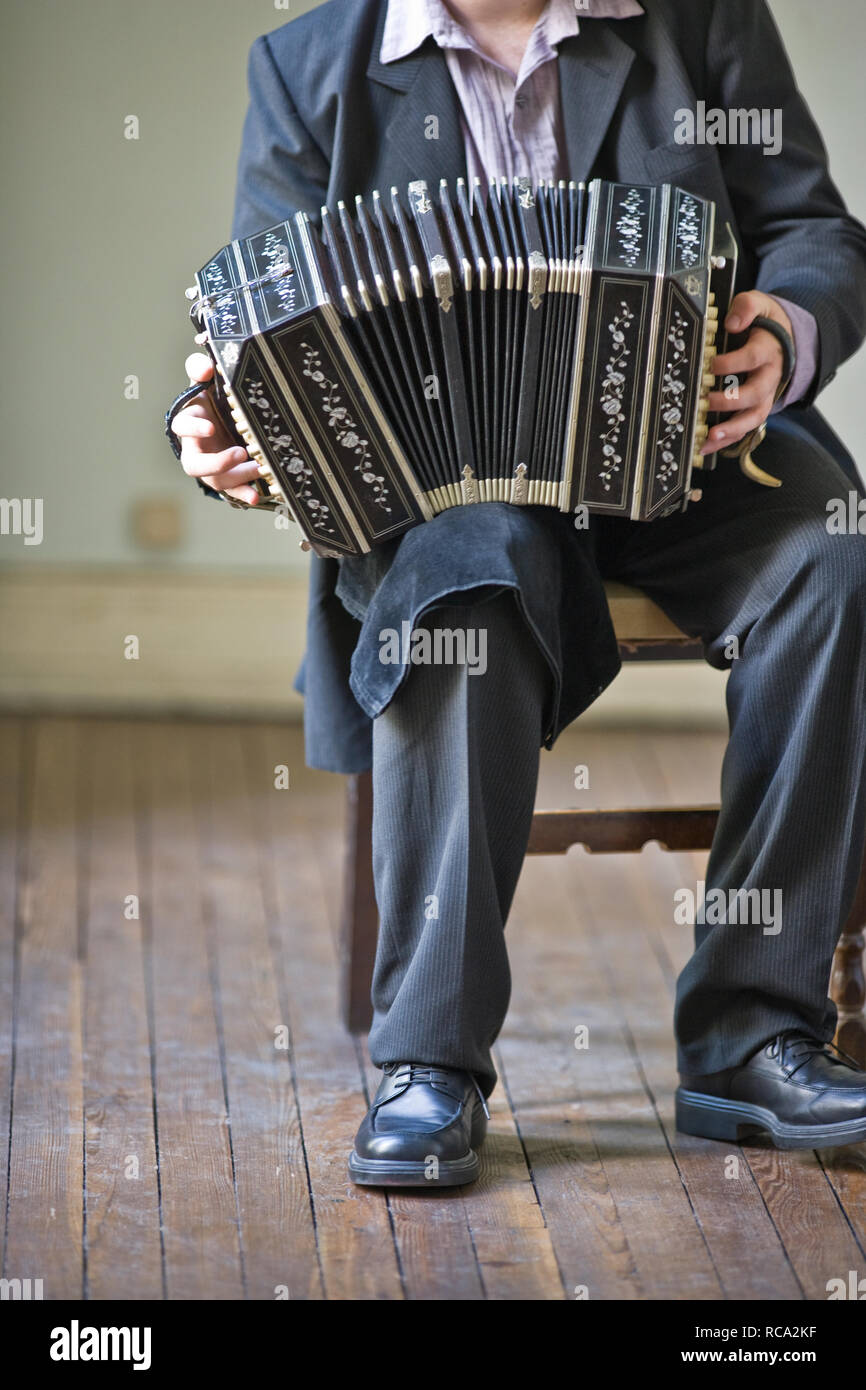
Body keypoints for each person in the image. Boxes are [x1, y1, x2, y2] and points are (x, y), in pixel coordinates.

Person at [171, 0, 866, 1187]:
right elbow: (254, 320)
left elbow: (811, 229)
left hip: (684, 450)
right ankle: (429, 1063)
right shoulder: (306, 68)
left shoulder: (698, 21)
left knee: (835, 552)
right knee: (466, 587)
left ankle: (752, 1035)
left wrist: (787, 329)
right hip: (453, 485)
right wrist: (208, 427)